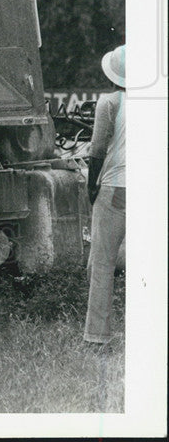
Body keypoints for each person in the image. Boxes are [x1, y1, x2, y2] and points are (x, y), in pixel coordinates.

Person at [84, 44, 126, 348]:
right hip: (148, 188)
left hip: (114, 189)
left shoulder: (109, 103)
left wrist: (91, 186)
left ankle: (97, 336)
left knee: (101, 263)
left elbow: (97, 150)